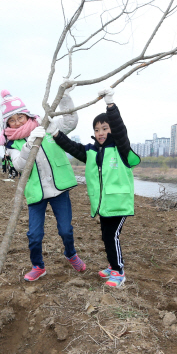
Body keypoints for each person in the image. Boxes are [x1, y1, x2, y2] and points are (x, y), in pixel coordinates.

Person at [52, 89, 140, 288]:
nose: (101, 133)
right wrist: (55, 133)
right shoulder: (92, 151)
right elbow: (71, 147)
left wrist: (110, 105)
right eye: (97, 129)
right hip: (103, 205)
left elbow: (120, 130)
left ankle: (119, 272)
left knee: (112, 236)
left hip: (119, 203)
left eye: (104, 128)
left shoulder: (121, 149)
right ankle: (112, 265)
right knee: (106, 236)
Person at [0, 87, 84, 281]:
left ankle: (71, 254)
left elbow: (71, 121)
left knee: (65, 230)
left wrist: (65, 97)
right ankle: (38, 266)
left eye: (20, 117)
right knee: (34, 234)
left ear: (27, 115)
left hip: (58, 189)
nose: (17, 122)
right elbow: (19, 165)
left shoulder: (45, 126)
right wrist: (29, 144)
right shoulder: (11, 144)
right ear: (7, 123)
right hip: (36, 192)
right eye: (12, 119)